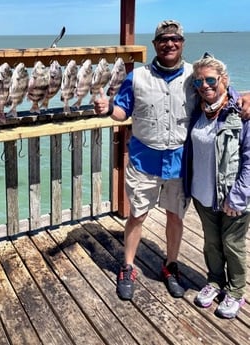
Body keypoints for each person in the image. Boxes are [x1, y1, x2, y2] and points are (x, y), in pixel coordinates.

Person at [94, 19, 250, 301]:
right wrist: (108, 109)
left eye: (175, 39)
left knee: (175, 217)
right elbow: (122, 112)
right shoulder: (137, 77)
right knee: (137, 215)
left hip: (180, 163)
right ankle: (128, 265)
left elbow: (223, 91)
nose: (169, 43)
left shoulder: (195, 76)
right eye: (163, 39)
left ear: (182, 43)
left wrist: (248, 97)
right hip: (143, 161)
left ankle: (171, 265)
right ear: (155, 45)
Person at [183, 54, 250, 319]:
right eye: (199, 81)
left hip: (234, 196)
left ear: (224, 80)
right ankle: (214, 282)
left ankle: (236, 291)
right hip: (203, 194)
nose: (205, 85)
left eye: (211, 79)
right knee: (211, 243)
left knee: (232, 244)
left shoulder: (241, 113)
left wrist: (239, 195)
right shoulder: (198, 109)